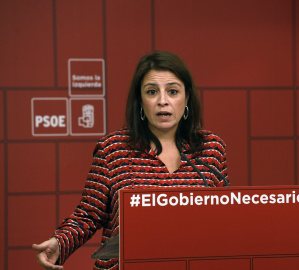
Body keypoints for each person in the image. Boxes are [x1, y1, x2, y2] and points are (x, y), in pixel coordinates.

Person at [32, 51, 229, 270]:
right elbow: (88, 214)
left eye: (173, 91)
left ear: (187, 98)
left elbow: (223, 218)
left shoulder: (210, 149)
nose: (163, 101)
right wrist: (59, 243)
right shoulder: (113, 149)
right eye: (152, 92)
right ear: (140, 100)